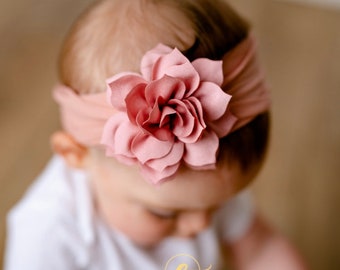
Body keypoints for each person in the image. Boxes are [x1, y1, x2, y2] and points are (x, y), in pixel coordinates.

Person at [4, 0, 307, 269]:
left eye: (217, 207)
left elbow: (260, 250)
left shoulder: (206, 189)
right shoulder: (48, 232)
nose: (200, 225)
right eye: (163, 214)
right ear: (76, 155)